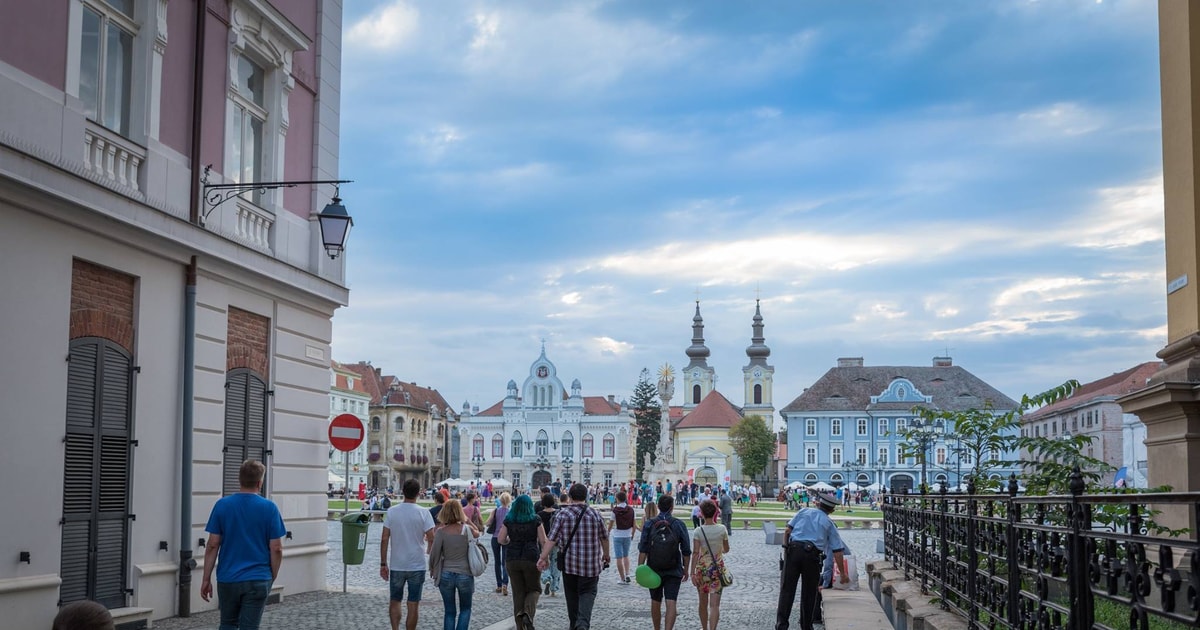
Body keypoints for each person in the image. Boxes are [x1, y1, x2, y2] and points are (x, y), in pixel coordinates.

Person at [200, 459, 285, 630]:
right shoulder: (269, 508)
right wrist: (272, 575)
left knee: (228, 624)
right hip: (258, 577)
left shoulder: (222, 505)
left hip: (228, 577)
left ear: (239, 480)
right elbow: (276, 548)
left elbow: (212, 545)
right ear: (260, 482)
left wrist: (206, 578)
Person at [537, 483, 610, 630]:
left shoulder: (562, 514)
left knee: (572, 597)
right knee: (588, 593)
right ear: (586, 496)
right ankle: (582, 624)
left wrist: (543, 557)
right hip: (590, 566)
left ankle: (574, 624)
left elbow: (551, 539)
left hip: (570, 566)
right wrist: (606, 555)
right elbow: (604, 537)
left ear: (570, 497)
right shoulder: (595, 514)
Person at [775, 492, 848, 630]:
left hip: (794, 551)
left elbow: (787, 531)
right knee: (809, 594)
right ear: (832, 510)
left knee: (786, 590)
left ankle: (781, 625)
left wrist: (787, 553)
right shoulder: (829, 524)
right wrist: (843, 574)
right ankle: (806, 626)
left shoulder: (803, 511)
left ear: (818, 503)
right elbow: (837, 551)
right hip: (812, 556)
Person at [381, 479, 436, 630]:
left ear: (402, 491)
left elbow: (384, 538)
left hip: (397, 564)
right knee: (413, 604)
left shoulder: (392, 511)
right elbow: (432, 538)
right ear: (418, 493)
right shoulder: (424, 512)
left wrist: (383, 563)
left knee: (395, 600)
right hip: (416, 564)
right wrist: (428, 551)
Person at [637, 494, 691, 630]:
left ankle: (657, 629)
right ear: (672, 508)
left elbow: (643, 548)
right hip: (673, 568)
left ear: (658, 507)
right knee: (671, 601)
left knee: (655, 601)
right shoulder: (678, 524)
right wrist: (686, 569)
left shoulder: (650, 523)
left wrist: (640, 569)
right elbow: (686, 550)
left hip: (653, 569)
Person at [497, 495, 548, 630]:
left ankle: (520, 627)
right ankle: (527, 613)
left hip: (512, 558)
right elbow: (543, 541)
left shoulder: (509, 519)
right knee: (534, 589)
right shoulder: (535, 519)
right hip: (531, 557)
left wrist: (509, 541)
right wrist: (545, 558)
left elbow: (501, 539)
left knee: (518, 593)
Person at [428, 500, 479, 630]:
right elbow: (477, 532)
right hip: (465, 573)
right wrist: (467, 521)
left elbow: (434, 553)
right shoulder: (467, 530)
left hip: (446, 573)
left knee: (449, 612)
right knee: (465, 609)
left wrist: (432, 568)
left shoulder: (440, 532)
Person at [691, 500, 730, 630]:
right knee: (715, 605)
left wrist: (691, 572)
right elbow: (726, 549)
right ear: (715, 513)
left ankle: (704, 628)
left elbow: (695, 553)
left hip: (702, 570)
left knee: (703, 603)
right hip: (717, 569)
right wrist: (719, 550)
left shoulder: (698, 531)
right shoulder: (722, 529)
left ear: (701, 513)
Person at [487, 492, 512, 595]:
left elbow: (488, 523)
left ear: (500, 501)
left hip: (495, 537)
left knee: (497, 562)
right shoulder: (510, 512)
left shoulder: (495, 511)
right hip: (506, 538)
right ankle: (505, 583)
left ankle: (499, 584)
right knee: (505, 561)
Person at [609, 491, 636, 585]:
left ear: (617, 499)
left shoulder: (615, 510)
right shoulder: (631, 510)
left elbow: (611, 523)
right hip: (628, 534)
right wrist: (632, 534)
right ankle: (627, 574)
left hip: (617, 535)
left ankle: (622, 578)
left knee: (619, 557)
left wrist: (608, 532)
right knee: (626, 555)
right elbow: (634, 524)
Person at [538, 493, 562, 597]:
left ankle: (547, 578)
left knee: (544, 562)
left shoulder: (539, 515)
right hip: (556, 543)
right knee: (555, 565)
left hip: (544, 542)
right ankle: (553, 589)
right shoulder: (558, 513)